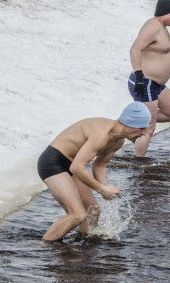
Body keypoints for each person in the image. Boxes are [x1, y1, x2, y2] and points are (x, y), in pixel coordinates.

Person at [37, 102, 151, 241]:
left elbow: (100, 164)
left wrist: (105, 187)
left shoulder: (118, 140)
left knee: (93, 211)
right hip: (53, 162)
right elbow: (77, 167)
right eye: (141, 128)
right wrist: (101, 189)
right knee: (77, 214)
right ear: (128, 124)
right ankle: (41, 247)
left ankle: (83, 249)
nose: (144, 133)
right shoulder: (102, 134)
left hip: (74, 164)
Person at [128, 0, 170, 157]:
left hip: (156, 85)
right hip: (145, 82)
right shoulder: (152, 27)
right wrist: (138, 75)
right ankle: (138, 163)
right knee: (149, 127)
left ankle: (132, 124)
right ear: (164, 12)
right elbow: (134, 49)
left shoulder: (162, 27)